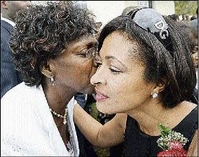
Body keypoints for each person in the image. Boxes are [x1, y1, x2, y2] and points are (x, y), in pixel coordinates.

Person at [74, 7, 198, 156]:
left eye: (114, 69)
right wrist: (68, 101)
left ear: (159, 82)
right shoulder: (129, 116)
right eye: (100, 63)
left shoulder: (194, 133)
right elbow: (100, 135)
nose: (95, 79)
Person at [1, 1, 99, 156]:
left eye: (95, 49)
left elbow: (102, 135)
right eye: (84, 53)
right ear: (47, 67)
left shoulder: (63, 100)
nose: (98, 60)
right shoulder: (16, 123)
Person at [1, 1, 31, 98]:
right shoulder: (3, 38)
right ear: (4, 3)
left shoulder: (17, 34)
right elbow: (7, 91)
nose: (29, 4)